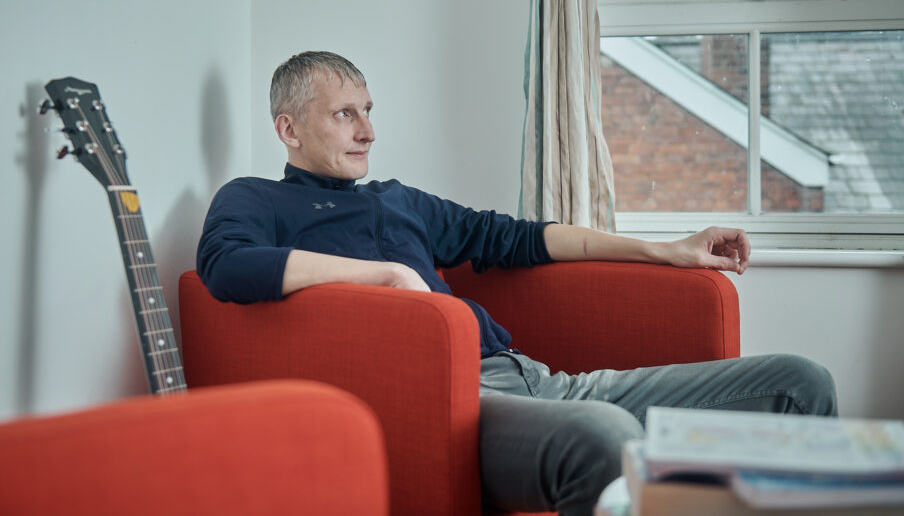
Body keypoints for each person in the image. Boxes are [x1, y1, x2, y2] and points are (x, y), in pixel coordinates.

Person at [196, 50, 838, 516]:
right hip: (450, 407)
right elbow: (224, 266)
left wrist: (669, 251)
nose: (368, 130)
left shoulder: (399, 201)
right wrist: (383, 275)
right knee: (604, 437)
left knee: (799, 384)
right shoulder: (255, 200)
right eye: (344, 114)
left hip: (537, 379)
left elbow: (520, 238)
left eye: (367, 111)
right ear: (289, 129)